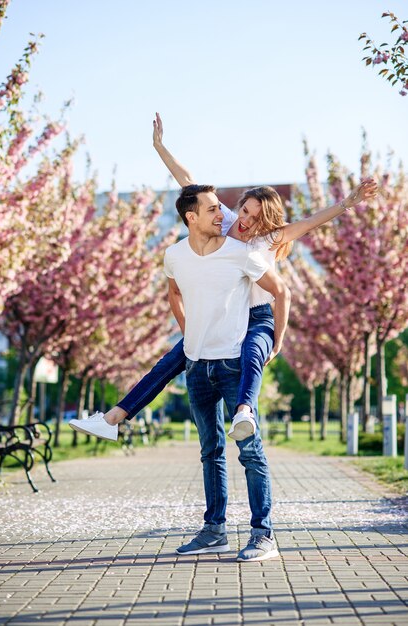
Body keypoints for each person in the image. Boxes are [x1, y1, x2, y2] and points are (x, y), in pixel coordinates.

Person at [69, 114, 378, 442]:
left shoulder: (272, 238)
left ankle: (244, 414)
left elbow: (312, 222)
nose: (244, 221)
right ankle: (113, 418)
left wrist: (349, 202)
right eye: (244, 211)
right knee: (170, 361)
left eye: (254, 218)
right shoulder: (227, 221)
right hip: (226, 312)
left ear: (267, 221)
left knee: (249, 358)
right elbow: (187, 180)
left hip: (256, 316)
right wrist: (160, 147)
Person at [166, 183, 290, 560]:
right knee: (210, 451)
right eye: (213, 209)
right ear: (192, 217)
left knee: (249, 450)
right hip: (198, 364)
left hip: (235, 357)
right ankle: (214, 530)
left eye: (222, 209)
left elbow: (280, 290)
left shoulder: (241, 250)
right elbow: (174, 294)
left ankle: (262, 534)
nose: (223, 215)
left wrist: (278, 341)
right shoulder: (178, 254)